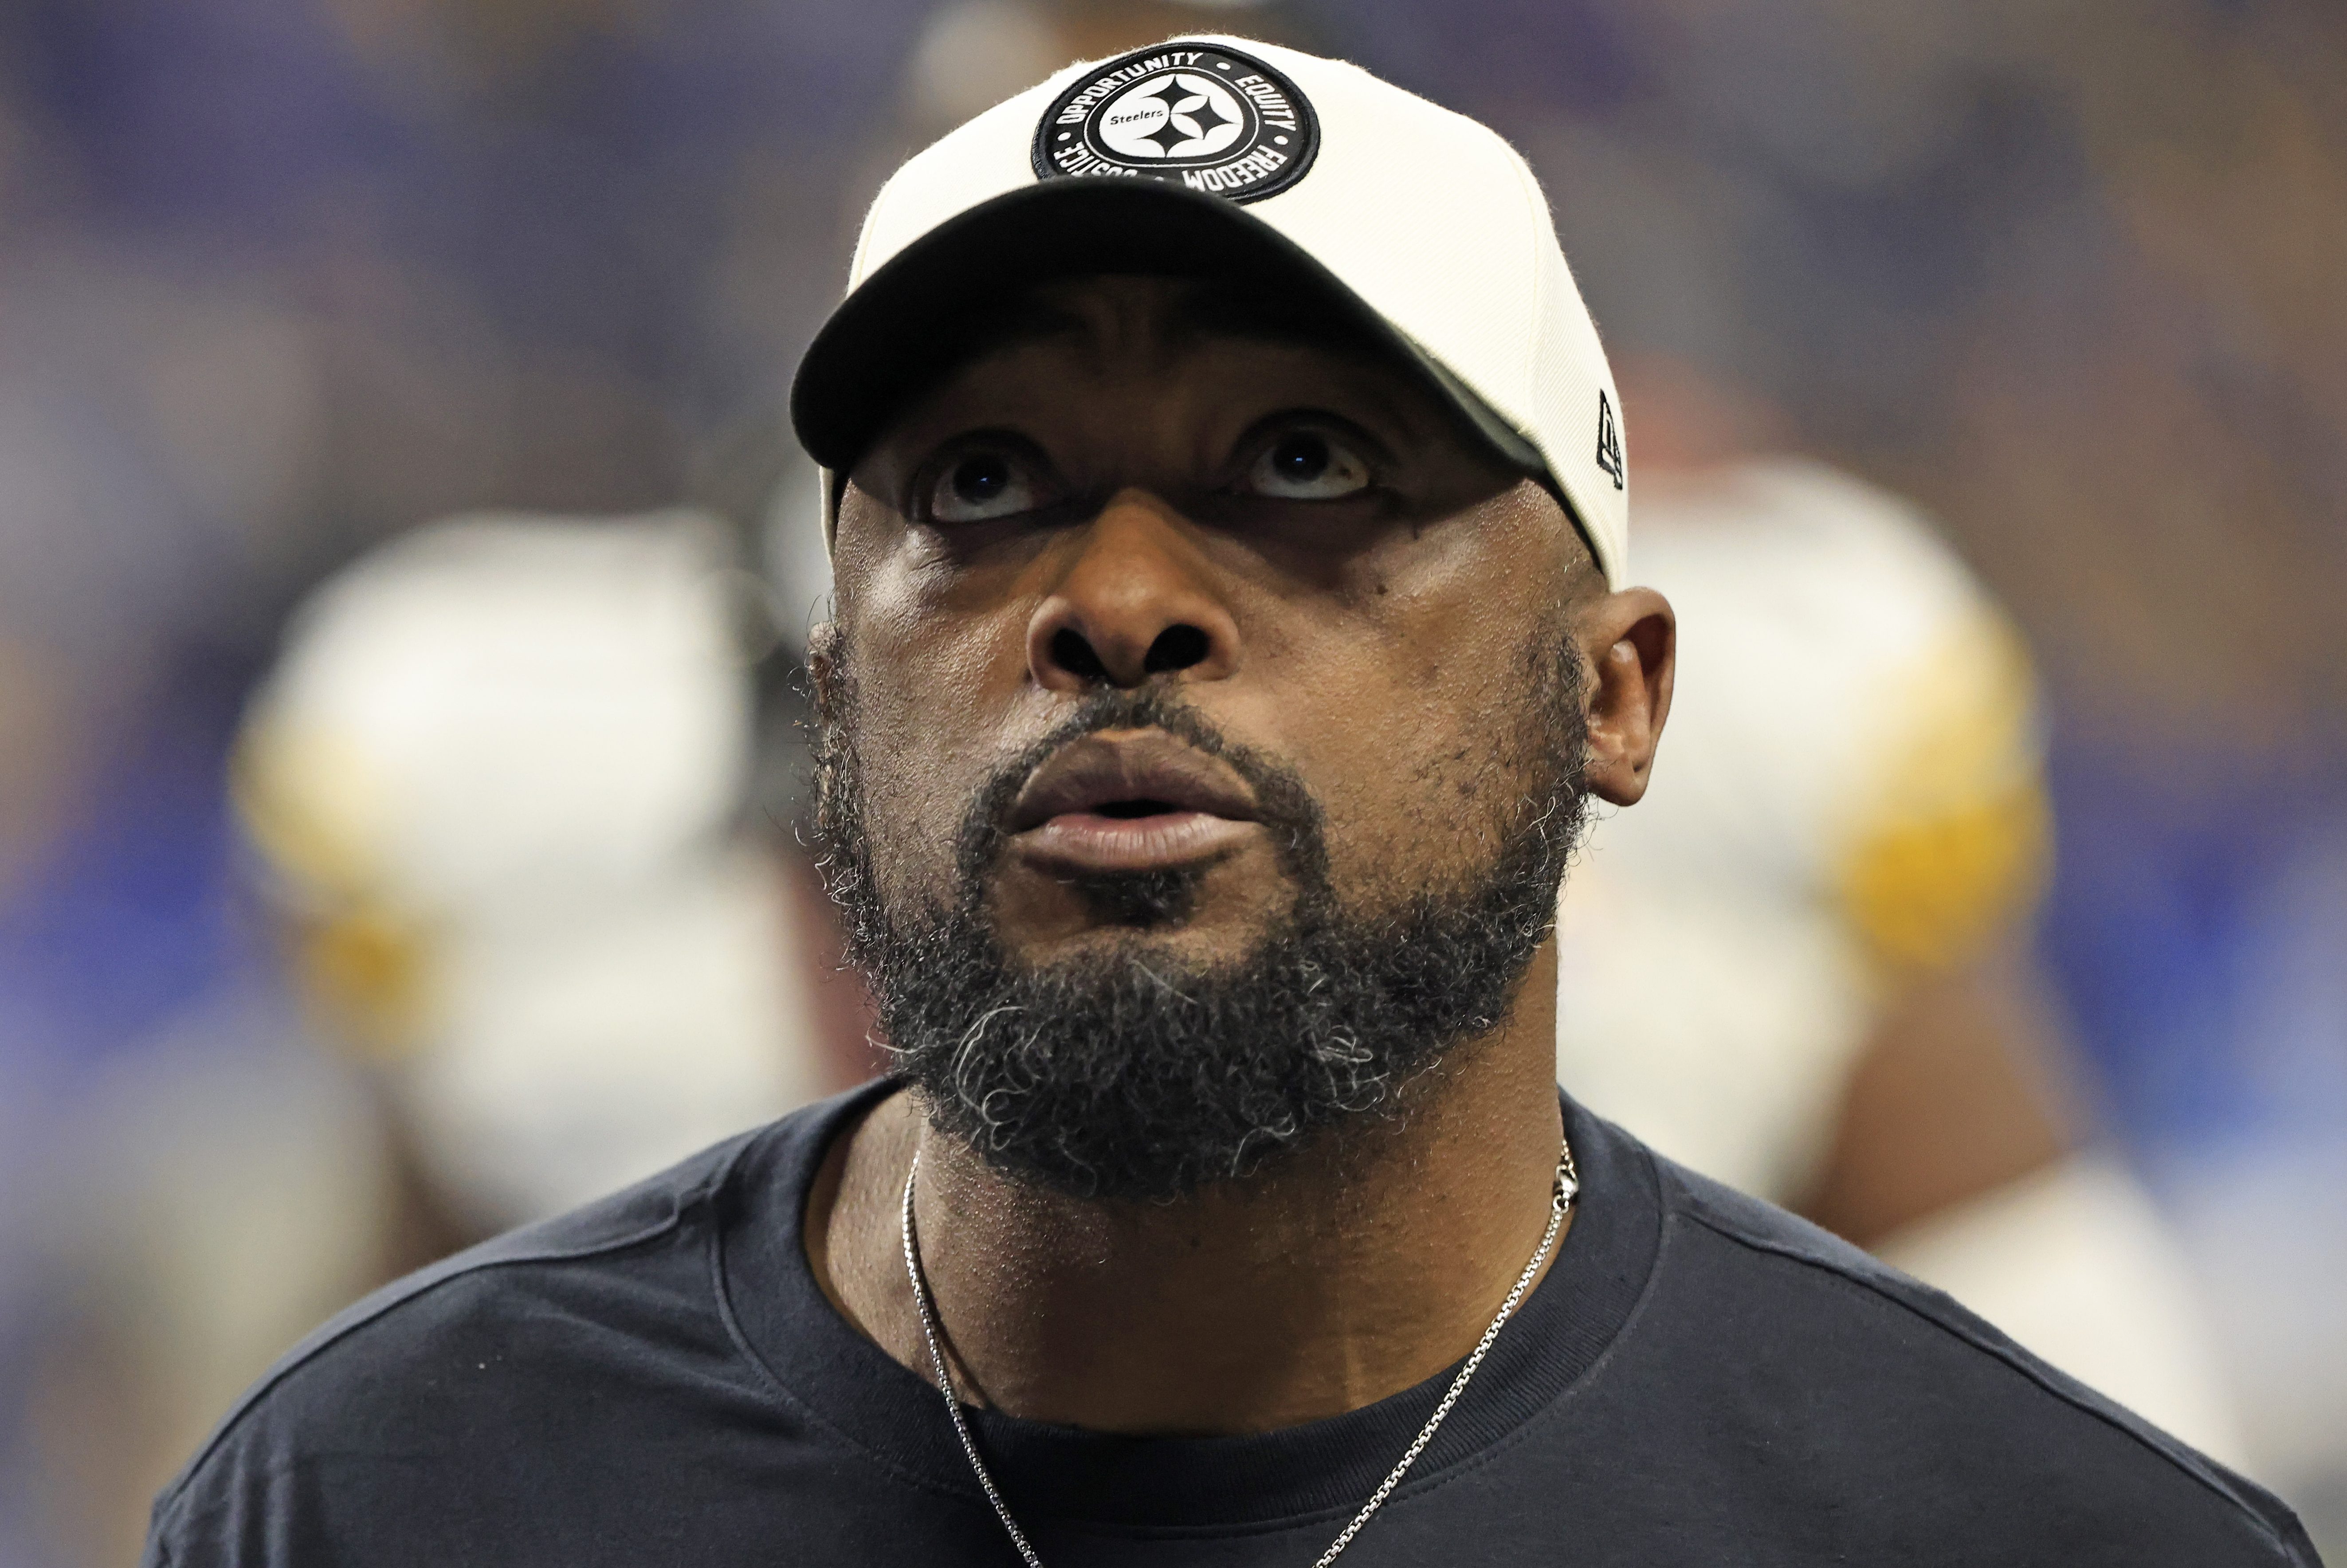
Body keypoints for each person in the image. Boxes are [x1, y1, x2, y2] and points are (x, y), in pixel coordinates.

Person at [145, 37, 2317, 1565]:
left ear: (1618, 690)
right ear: (829, 701)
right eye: (985, 480)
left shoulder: (2032, 1521)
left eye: (1304, 464)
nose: (1114, 601)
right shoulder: (364, 1487)